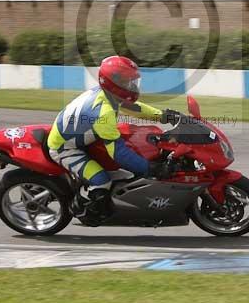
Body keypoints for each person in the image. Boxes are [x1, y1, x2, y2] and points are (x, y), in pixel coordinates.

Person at [46, 55, 180, 222]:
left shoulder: (108, 94)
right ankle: (83, 209)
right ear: (114, 83)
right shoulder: (103, 113)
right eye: (128, 82)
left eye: (133, 82)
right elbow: (119, 153)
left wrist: (164, 116)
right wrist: (150, 169)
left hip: (84, 136)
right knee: (101, 181)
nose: (133, 86)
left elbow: (135, 108)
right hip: (65, 148)